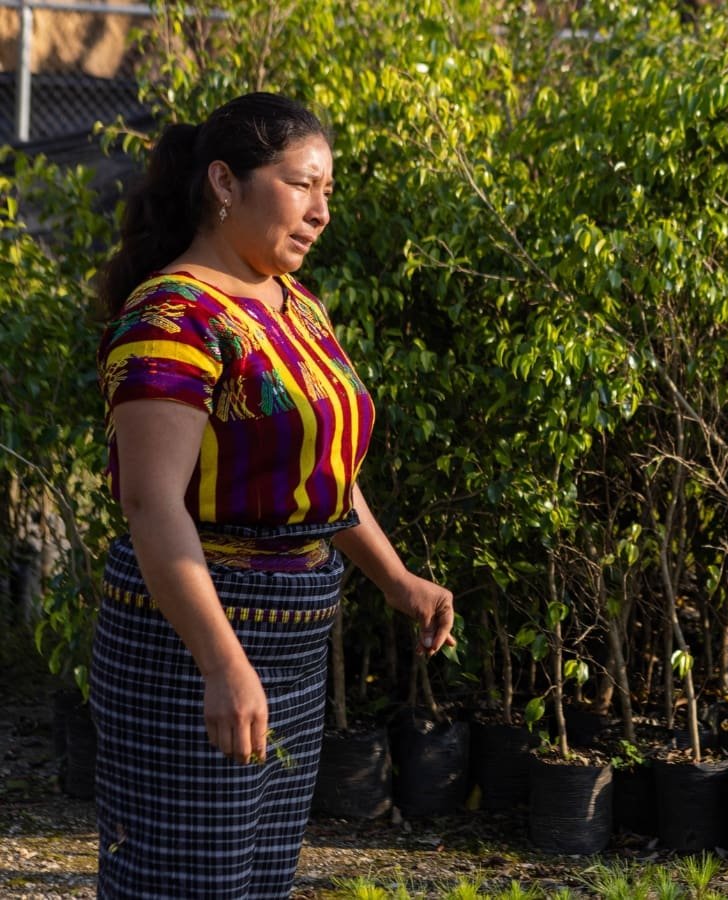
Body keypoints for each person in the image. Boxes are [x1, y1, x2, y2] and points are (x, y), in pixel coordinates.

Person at [91, 92, 455, 898]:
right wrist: (222, 662)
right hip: (189, 642)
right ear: (225, 183)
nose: (321, 212)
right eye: (301, 185)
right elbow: (153, 505)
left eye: (329, 192)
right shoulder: (173, 315)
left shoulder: (297, 307)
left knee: (257, 881)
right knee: (184, 882)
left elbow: (324, 474)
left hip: (293, 639)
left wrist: (396, 579)